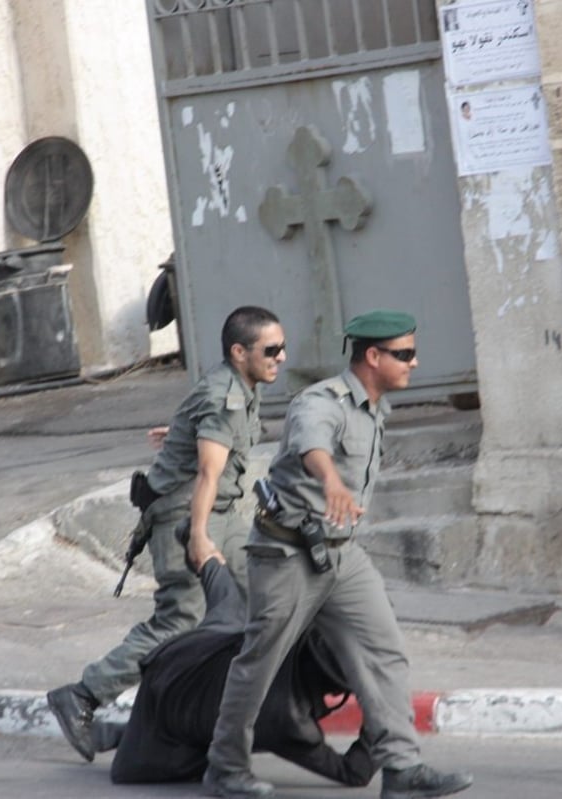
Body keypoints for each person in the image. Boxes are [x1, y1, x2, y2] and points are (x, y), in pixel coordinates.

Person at [202, 310, 473, 799]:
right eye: (405, 354)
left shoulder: (375, 408)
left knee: (383, 651)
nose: (416, 362)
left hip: (342, 556)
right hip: (286, 556)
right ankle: (224, 766)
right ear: (373, 356)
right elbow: (312, 446)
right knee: (259, 661)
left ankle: (402, 769)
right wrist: (330, 481)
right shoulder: (320, 401)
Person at [47, 305, 287, 762]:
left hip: (222, 515)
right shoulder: (226, 396)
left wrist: (180, 434)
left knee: (262, 604)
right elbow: (207, 475)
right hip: (192, 514)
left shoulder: (236, 385)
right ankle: (83, 695)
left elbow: (207, 441)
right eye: (271, 350)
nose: (281, 357)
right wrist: (197, 536)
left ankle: (203, 712)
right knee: (182, 620)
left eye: (282, 348)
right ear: (240, 352)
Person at [98, 550, 375, 788]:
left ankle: (130, 730)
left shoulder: (281, 631)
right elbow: (353, 772)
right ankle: (130, 734)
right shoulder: (289, 722)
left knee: (230, 601)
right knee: (200, 752)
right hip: (174, 703)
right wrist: (382, 723)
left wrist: (198, 540)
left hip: (195, 649)